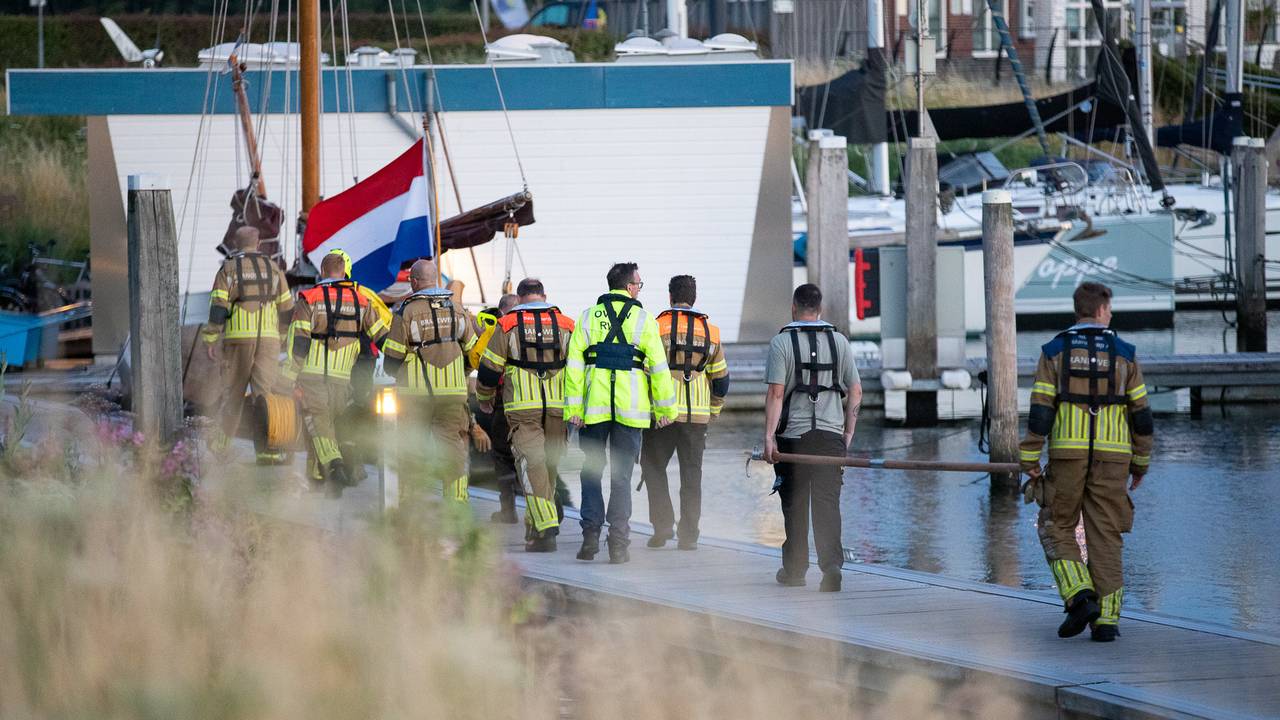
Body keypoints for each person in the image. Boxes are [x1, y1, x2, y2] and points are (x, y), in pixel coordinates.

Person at [1020, 281, 1153, 643]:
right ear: (1099, 311)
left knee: (1055, 524)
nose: (1110, 314)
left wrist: (1030, 456)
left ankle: (1079, 595)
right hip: (1114, 458)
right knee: (1106, 535)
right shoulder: (1125, 353)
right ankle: (1107, 622)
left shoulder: (1054, 352)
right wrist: (1140, 462)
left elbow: (1041, 409)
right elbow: (1141, 415)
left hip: (1067, 453)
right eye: (1108, 309)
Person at [565, 262, 678, 564]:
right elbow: (658, 369)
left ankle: (589, 540)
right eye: (639, 284)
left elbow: (574, 369)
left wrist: (574, 410)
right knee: (621, 478)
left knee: (591, 472)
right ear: (629, 287)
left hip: (592, 412)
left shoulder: (587, 318)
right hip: (631, 412)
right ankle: (618, 546)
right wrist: (666, 409)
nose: (640, 288)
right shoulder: (644, 321)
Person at [762, 283, 862, 592]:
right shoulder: (840, 342)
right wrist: (847, 433)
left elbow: (777, 393)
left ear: (794, 307)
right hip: (831, 436)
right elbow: (855, 390)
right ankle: (831, 567)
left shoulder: (781, 343)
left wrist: (769, 437)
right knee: (827, 503)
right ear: (820, 309)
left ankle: (795, 571)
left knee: (794, 503)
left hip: (794, 437)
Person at [477, 278, 576, 552]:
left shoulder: (507, 324)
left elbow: (489, 369)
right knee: (549, 466)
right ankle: (536, 531)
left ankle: (545, 526)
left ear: (519, 299)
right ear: (545, 295)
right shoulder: (567, 324)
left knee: (531, 466)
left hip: (523, 408)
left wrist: (485, 399)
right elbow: (579, 368)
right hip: (559, 407)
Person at [285, 252, 389, 496]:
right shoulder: (363, 301)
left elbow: (300, 342)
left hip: (312, 374)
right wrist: (401, 363)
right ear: (344, 272)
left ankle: (334, 467)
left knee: (318, 424)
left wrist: (289, 375)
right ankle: (318, 479)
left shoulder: (309, 299)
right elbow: (382, 337)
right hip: (343, 378)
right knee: (327, 427)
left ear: (322, 270)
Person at [638, 275, 730, 551]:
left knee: (653, 467)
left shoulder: (655, 327)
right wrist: (714, 410)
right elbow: (722, 380)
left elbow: (644, 374)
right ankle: (689, 535)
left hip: (662, 415)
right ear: (694, 298)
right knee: (692, 476)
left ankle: (662, 526)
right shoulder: (712, 332)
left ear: (670, 296)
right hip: (697, 417)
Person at [380, 259, 482, 502]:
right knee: (454, 452)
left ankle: (413, 507)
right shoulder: (458, 310)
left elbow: (392, 360)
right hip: (453, 395)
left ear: (413, 281)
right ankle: (456, 507)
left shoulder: (407, 311)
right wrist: (460, 373)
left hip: (416, 397)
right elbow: (473, 352)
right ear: (435, 278)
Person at [202, 226, 294, 463]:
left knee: (233, 393)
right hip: (269, 340)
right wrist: (282, 337)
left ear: (235, 242)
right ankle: (267, 450)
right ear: (259, 242)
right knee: (264, 396)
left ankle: (220, 447)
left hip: (238, 340)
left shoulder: (229, 269)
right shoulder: (274, 270)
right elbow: (286, 308)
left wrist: (211, 337)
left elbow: (218, 306)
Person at [474, 293, 523, 523]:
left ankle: (508, 510)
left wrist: (484, 398)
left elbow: (486, 367)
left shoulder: (498, 330)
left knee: (502, 456)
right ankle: (547, 509)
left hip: (504, 402)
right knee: (532, 458)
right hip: (535, 403)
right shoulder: (531, 328)